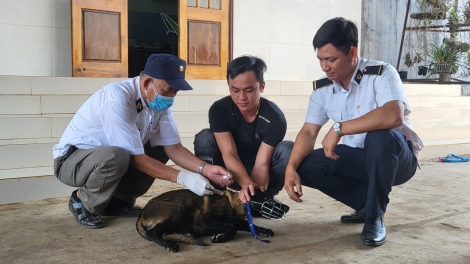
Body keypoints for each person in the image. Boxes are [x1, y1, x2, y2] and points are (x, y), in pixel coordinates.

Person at [283, 17, 423, 246]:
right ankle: (367, 205)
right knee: (303, 165)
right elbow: (309, 132)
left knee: (379, 136)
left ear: (352, 53)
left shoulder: (381, 73)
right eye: (320, 59)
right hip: (358, 158)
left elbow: (392, 115)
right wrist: (290, 168)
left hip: (396, 159)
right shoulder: (323, 89)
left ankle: (374, 216)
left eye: (331, 59)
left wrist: (339, 128)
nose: (324, 66)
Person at [53, 54, 233, 229]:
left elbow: (173, 147)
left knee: (158, 147)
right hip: (72, 161)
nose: (171, 97)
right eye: (168, 89)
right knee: (117, 155)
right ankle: (82, 201)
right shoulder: (117, 98)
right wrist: (184, 178)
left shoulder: (159, 102)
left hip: (107, 161)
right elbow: (136, 157)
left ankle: (117, 201)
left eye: (175, 91)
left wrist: (206, 169)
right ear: (147, 83)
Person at [193, 55, 293, 219]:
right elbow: (229, 153)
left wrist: (252, 191)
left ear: (262, 86)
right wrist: (245, 183)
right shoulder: (219, 110)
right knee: (205, 137)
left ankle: (261, 199)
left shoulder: (275, 118)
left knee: (287, 149)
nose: (242, 97)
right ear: (229, 86)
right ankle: (215, 197)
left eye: (249, 90)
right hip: (229, 170)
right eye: (235, 90)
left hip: (261, 172)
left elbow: (262, 163)